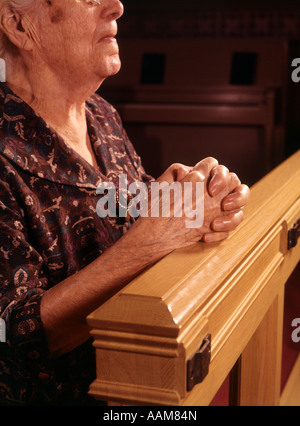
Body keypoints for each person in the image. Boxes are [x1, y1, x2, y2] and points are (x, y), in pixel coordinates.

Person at [0, 0, 250, 406]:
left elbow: (120, 214)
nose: (116, 7)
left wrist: (188, 196)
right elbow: (13, 336)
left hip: (142, 379)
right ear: (18, 25)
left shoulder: (101, 114)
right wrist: (154, 240)